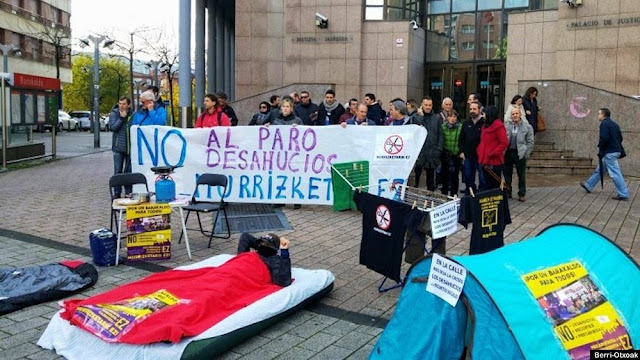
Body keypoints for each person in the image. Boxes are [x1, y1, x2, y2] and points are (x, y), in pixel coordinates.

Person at [580, 108, 628, 200]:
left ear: (603, 115)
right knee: (600, 169)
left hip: (609, 152)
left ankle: (623, 193)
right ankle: (588, 185)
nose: (598, 115)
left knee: (615, 173)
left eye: (598, 114)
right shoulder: (614, 124)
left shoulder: (604, 124)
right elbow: (620, 138)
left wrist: (601, 147)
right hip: (615, 150)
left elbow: (604, 137)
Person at [268, 98, 302, 209]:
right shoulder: (276, 121)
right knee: (281, 176)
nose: (285, 108)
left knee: (293, 176)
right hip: (280, 155)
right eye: (283, 106)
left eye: (287, 106)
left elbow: (305, 135)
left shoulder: (297, 121)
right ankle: (280, 199)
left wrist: (299, 129)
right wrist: (267, 129)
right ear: (280, 108)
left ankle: (296, 199)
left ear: (291, 108)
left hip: (293, 154)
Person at [504, 107, 534, 202]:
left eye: (517, 114)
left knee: (521, 175)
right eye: (513, 114)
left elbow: (530, 142)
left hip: (520, 153)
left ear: (520, 115)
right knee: (507, 174)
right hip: (508, 152)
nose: (515, 116)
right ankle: (508, 191)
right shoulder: (507, 126)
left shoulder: (527, 127)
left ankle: (521, 193)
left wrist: (526, 153)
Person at [414, 96, 443, 190]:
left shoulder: (437, 118)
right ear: (422, 105)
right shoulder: (416, 117)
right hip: (420, 153)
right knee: (416, 180)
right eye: (426, 105)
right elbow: (416, 130)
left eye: (430, 105)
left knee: (430, 180)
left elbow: (440, 135)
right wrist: (421, 116)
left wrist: (438, 150)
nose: (428, 107)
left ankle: (430, 200)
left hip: (432, 153)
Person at [477, 106, 508, 190]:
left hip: (494, 162)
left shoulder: (499, 126)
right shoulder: (485, 126)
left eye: (484, 114)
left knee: (494, 186)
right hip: (484, 160)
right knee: (485, 184)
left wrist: (494, 153)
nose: (482, 116)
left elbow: (504, 142)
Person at [459, 101, 485, 195]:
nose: (472, 111)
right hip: (468, 156)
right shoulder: (466, 123)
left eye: (474, 109)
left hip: (480, 157)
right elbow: (461, 138)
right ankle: (470, 194)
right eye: (470, 109)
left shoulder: (484, 123)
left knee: (482, 178)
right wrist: (461, 152)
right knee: (468, 177)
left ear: (479, 109)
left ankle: (481, 196)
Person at [109, 96, 133, 198]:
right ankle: (117, 193)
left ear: (128, 105)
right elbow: (113, 127)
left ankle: (128, 192)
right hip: (118, 147)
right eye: (120, 104)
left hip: (129, 147)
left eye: (124, 104)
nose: (121, 106)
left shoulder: (132, 115)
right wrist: (122, 118)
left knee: (128, 171)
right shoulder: (114, 114)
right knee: (118, 170)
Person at [441, 110, 462, 197]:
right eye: (450, 116)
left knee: (455, 176)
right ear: (447, 118)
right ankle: (444, 194)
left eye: (454, 116)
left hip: (456, 154)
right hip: (446, 154)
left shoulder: (461, 127)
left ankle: (454, 194)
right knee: (444, 175)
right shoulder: (443, 127)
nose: (452, 119)